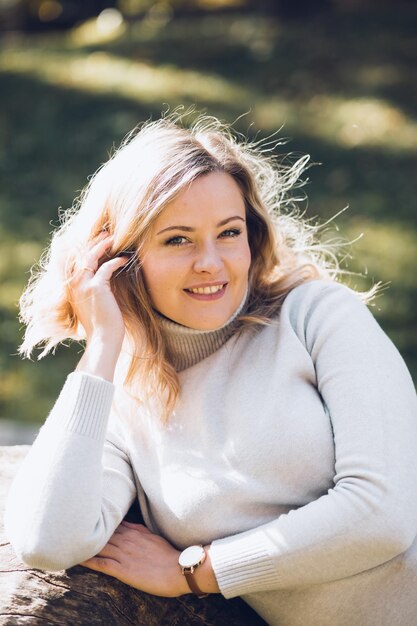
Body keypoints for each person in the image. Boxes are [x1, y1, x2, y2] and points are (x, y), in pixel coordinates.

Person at [5, 113, 417, 626]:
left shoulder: (319, 317)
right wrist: (104, 344)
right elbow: (46, 540)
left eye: (228, 232)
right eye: (177, 239)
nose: (211, 263)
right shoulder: (124, 398)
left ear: (253, 236)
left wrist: (198, 572)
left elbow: (385, 515)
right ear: (119, 257)